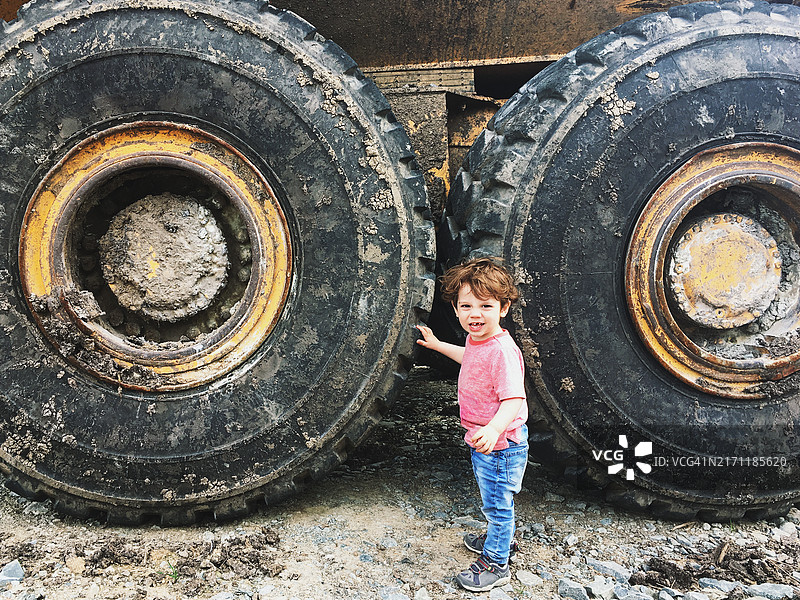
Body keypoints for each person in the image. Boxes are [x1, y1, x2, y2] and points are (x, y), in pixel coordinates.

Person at [417, 256, 528, 593]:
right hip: (486, 439)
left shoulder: (502, 351)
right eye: (466, 305)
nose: (474, 314)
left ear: (504, 308)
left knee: (497, 502)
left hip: (501, 443)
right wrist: (437, 346)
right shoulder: (479, 341)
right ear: (455, 308)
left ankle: (496, 560)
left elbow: (515, 400)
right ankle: (499, 536)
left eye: (485, 305)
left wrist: (493, 430)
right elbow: (470, 359)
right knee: (494, 498)